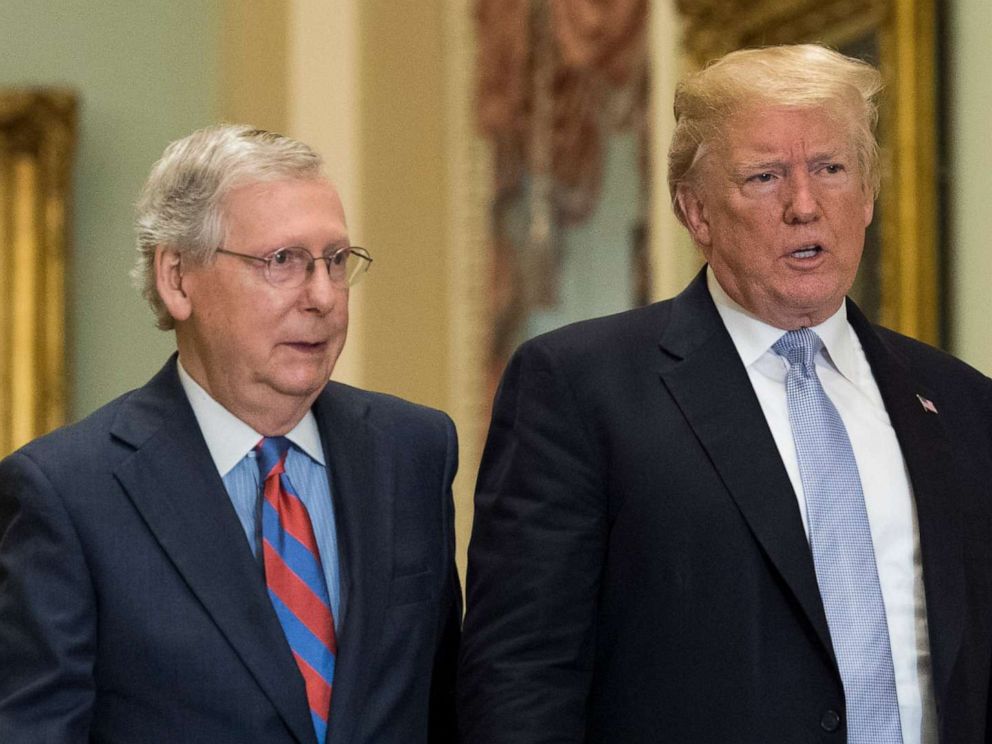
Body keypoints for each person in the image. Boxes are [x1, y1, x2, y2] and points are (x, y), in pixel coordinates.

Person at [458, 44, 992, 743]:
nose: (805, 206)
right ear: (696, 212)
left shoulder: (959, 401)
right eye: (765, 177)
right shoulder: (579, 388)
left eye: (831, 169)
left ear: (868, 196)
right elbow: (521, 676)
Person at [0, 124, 460, 744]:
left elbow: (450, 705)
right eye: (283, 261)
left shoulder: (413, 451)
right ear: (178, 279)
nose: (323, 296)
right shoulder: (67, 494)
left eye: (336, 261)